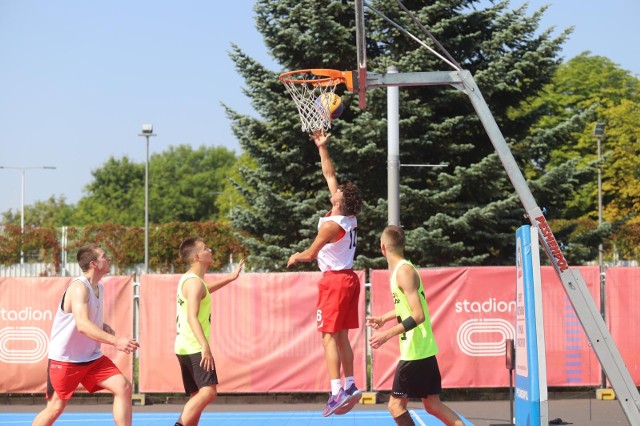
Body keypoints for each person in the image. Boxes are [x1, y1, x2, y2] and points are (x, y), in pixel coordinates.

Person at [287, 130, 363, 417]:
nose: (336, 187)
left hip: (334, 282)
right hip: (349, 279)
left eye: (340, 190)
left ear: (340, 201)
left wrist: (296, 255)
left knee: (328, 338)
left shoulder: (332, 225)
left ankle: (335, 391)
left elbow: (310, 253)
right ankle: (352, 384)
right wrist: (322, 147)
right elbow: (329, 173)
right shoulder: (346, 216)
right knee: (341, 336)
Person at [32, 244, 140, 426]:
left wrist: (101, 325)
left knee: (123, 387)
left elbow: (83, 319)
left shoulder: (99, 287)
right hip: (66, 359)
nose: (109, 259)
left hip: (91, 358)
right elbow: (82, 325)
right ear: (93, 264)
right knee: (55, 407)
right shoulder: (78, 288)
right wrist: (115, 341)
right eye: (105, 256)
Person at [367, 225, 464, 426]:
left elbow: (418, 315)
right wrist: (384, 318)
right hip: (421, 347)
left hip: (415, 350)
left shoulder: (404, 272)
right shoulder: (403, 270)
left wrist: (387, 334)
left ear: (382, 247)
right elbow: (409, 308)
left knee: (396, 406)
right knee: (432, 405)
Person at [174, 237, 245, 426]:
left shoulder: (193, 280)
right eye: (206, 248)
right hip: (194, 345)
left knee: (197, 395)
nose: (210, 250)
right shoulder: (194, 282)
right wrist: (205, 346)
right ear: (197, 256)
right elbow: (192, 317)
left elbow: (204, 291)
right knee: (208, 392)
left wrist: (230, 278)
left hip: (184, 346)